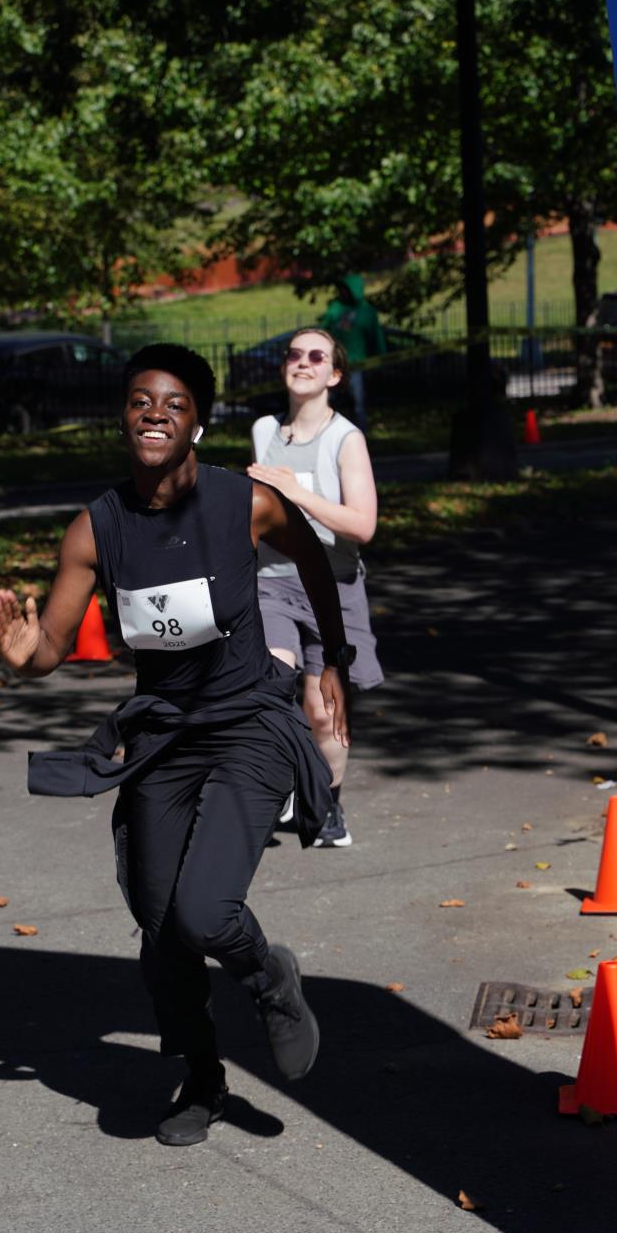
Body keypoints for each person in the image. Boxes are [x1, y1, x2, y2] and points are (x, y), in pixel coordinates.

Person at [0, 344, 354, 1149]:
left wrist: (331, 659)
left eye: (174, 403)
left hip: (249, 722)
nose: (155, 413)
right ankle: (203, 1073)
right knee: (161, 928)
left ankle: (268, 974)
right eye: (140, 401)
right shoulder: (96, 528)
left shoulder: (245, 503)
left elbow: (316, 561)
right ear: (124, 416)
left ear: (198, 422)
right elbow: (52, 642)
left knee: (205, 909)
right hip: (163, 737)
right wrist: (25, 655)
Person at [247, 327, 383, 849]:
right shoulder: (264, 430)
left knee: (323, 712)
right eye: (294, 354)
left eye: (316, 356)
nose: (302, 363)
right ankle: (277, 784)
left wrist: (295, 492)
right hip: (272, 583)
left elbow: (362, 525)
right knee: (269, 685)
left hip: (333, 586)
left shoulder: (346, 439)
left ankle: (327, 805)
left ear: (334, 375)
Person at [320, 273, 387, 434]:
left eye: (346, 289)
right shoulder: (336, 308)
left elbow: (376, 337)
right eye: (341, 289)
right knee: (326, 401)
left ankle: (359, 435)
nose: (342, 292)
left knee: (358, 403)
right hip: (335, 364)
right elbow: (323, 331)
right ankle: (325, 433)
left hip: (357, 365)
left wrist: (381, 357)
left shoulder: (367, 312)